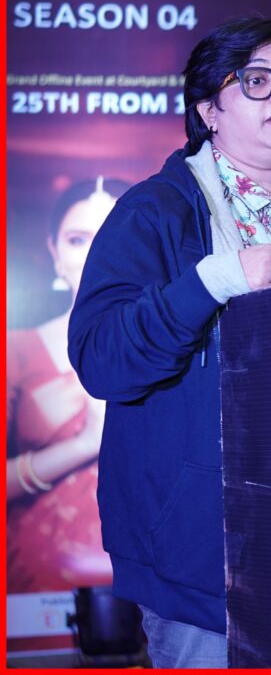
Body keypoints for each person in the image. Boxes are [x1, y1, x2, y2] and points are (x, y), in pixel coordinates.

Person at [67, 16, 271, 668]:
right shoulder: (156, 213)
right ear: (208, 110)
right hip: (206, 559)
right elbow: (104, 359)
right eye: (256, 80)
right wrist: (216, 280)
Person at [7, 177, 129, 593]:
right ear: (55, 253)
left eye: (114, 235)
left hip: (155, 582)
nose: (97, 253)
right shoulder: (16, 351)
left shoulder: (181, 348)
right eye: (78, 240)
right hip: (38, 586)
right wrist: (83, 444)